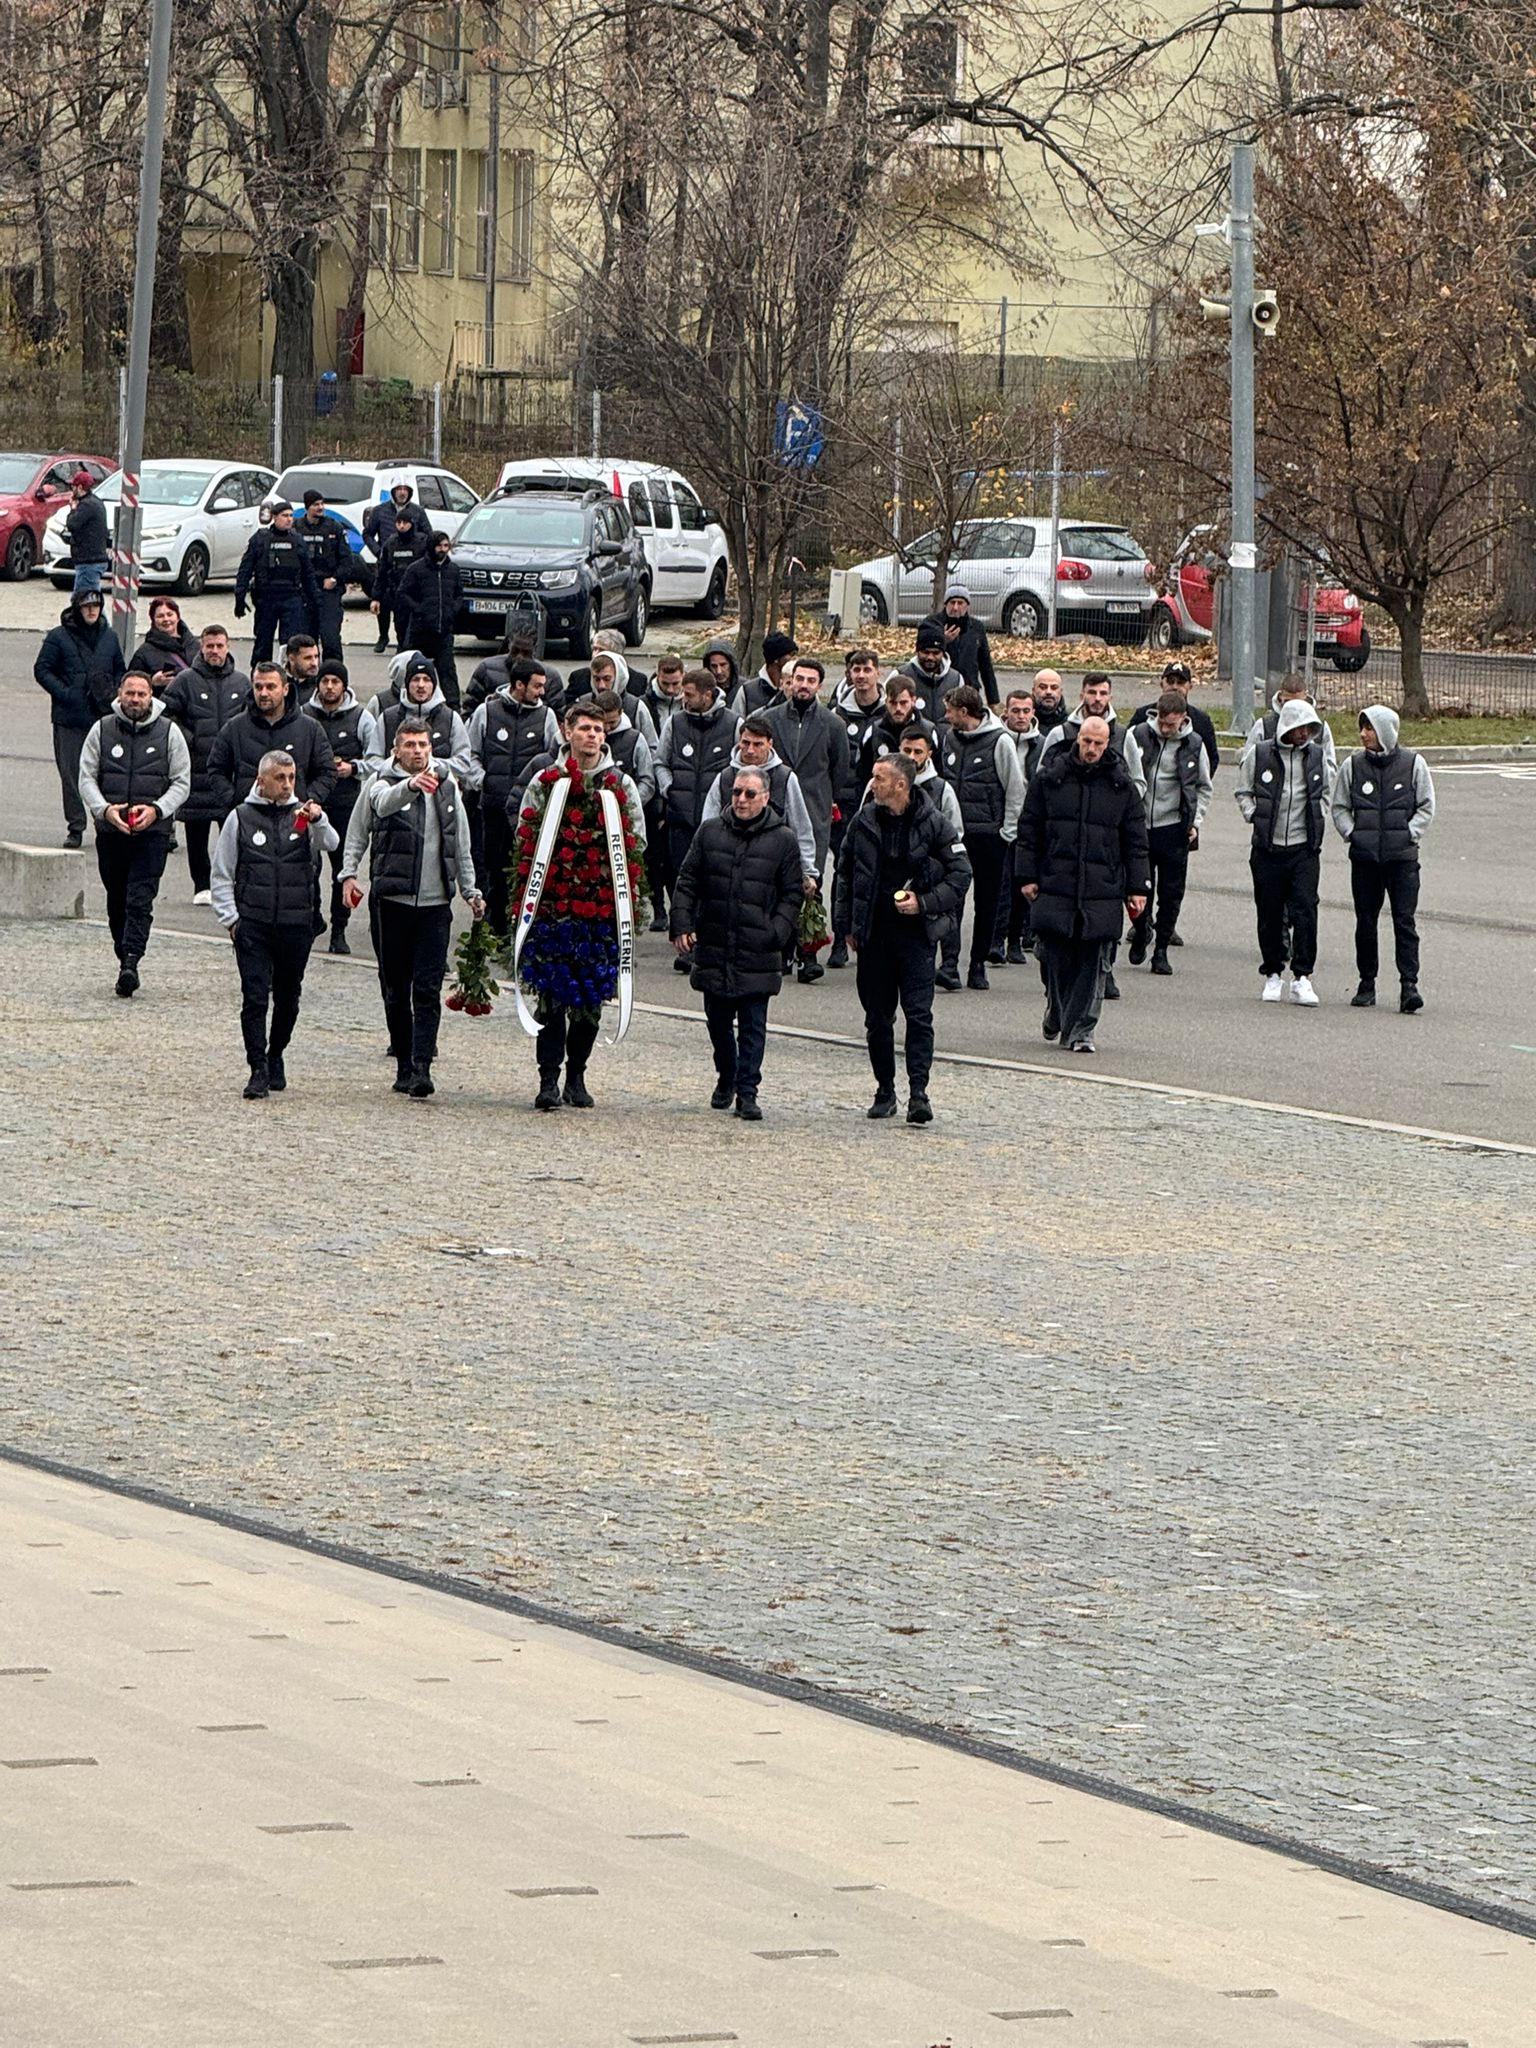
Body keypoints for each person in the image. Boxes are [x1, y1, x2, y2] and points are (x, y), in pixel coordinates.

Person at [513, 699, 646, 1111]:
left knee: (590, 999)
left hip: (600, 908)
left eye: (599, 729)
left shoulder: (619, 785)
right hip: (554, 907)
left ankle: (577, 1074)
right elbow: (525, 834)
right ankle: (548, 1078)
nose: (592, 736)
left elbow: (636, 841)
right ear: (567, 732)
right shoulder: (546, 780)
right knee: (551, 998)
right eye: (585, 728)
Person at [340, 719, 484, 1097]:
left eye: (423, 744)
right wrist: (348, 873)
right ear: (395, 750)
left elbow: (461, 843)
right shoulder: (381, 783)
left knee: (428, 986)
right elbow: (366, 823)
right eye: (410, 745)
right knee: (395, 987)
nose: (418, 751)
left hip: (436, 903)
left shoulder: (447, 786)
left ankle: (421, 1067)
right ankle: (403, 1060)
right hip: (391, 901)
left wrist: (470, 890)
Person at [833, 754, 971, 1124]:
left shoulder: (934, 823)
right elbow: (844, 874)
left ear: (901, 785)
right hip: (874, 935)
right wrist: (845, 924)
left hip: (916, 936)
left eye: (879, 778)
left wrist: (924, 903)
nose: (872, 783)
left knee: (919, 1016)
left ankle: (919, 1093)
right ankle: (884, 1089)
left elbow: (960, 875)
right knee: (878, 1018)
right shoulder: (862, 822)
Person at [670, 766, 804, 1120]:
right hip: (714, 941)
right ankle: (726, 1074)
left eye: (749, 794)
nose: (741, 800)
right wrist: (681, 922)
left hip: (758, 946)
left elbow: (793, 893)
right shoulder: (710, 832)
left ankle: (748, 1091)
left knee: (753, 1025)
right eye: (736, 793)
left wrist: (778, 930)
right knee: (717, 1022)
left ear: (765, 798)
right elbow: (687, 881)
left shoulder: (784, 839)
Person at [1016, 716, 1149, 1055]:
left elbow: (1136, 842)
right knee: (1054, 956)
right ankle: (1057, 1009)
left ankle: (1082, 1030)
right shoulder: (1049, 780)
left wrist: (1138, 887)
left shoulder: (1122, 787)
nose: (1091, 749)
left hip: (1101, 885)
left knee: (1094, 962)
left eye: (1098, 744)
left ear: (1108, 745)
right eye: (1087, 742)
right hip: (1055, 880)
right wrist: (1027, 876)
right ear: (1078, 740)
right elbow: (1029, 830)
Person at [210, 748, 337, 1098]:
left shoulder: (304, 816)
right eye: (279, 778)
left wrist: (318, 819)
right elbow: (222, 871)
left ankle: (276, 1051)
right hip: (254, 923)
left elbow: (331, 843)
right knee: (254, 997)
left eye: (292, 778)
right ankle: (257, 1068)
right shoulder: (241, 817)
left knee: (288, 997)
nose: (287, 785)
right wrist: (231, 919)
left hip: (297, 923)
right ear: (261, 781)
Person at [77, 672, 192, 996]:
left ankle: (131, 961)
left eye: (142, 694)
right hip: (112, 830)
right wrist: (104, 810)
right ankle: (122, 950)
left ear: (150, 696)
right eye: (131, 693)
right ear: (120, 694)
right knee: (116, 899)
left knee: (140, 899)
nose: (136, 699)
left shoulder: (170, 732)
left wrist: (156, 809)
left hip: (152, 832)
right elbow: (86, 776)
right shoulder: (101, 729)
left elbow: (181, 782)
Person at [1038, 673, 1145, 1000]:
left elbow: (1137, 784)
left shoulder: (1123, 735)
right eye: (1091, 692)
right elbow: (1041, 784)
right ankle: (1057, 1000)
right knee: (1059, 934)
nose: (1097, 698)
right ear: (1082, 694)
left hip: (1105, 847)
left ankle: (1102, 976)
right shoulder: (1061, 734)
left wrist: (1112, 806)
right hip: (1064, 849)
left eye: (1103, 693)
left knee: (1102, 921)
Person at [1330, 704, 1436, 1013]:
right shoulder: (1352, 766)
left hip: (1402, 859)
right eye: (1362, 728)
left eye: (1370, 728)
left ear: (1385, 732)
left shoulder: (1413, 764)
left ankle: (1409, 986)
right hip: (1365, 860)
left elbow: (1426, 806)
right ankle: (1366, 983)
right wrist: (1354, 834)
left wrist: (1408, 834)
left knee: (1404, 921)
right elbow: (1340, 806)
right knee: (1365, 921)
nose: (1363, 734)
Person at [1235, 697, 1330, 1005]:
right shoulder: (1261, 753)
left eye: (1309, 729)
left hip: (1304, 848)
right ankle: (1273, 972)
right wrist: (1253, 815)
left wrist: (1319, 816)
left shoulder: (1316, 756)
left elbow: (1326, 791)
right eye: (1299, 728)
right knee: (1270, 912)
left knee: (1305, 910)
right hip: (1268, 847)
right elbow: (1242, 789)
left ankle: (1302, 976)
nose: (1303, 735)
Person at [465, 657, 561, 943]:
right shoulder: (487, 712)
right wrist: (483, 781)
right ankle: (496, 928)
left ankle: (524, 927)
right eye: (537, 686)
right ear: (519, 685)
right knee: (494, 868)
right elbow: (470, 753)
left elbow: (552, 759)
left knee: (526, 868)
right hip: (493, 806)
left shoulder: (547, 718)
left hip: (528, 811)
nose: (542, 692)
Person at [936, 682, 1025, 992]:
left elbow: (1015, 789)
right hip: (954, 836)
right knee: (951, 899)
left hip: (989, 835)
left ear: (964, 712)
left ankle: (977, 963)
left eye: (949, 711)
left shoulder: (999, 741)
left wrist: (1006, 834)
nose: (945, 716)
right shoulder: (949, 738)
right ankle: (949, 963)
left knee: (987, 901)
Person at [655, 666, 740, 967]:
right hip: (680, 819)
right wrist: (671, 788)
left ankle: (706, 942)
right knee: (682, 880)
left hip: (717, 824)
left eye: (689, 694)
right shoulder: (675, 724)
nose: (683, 699)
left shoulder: (733, 725)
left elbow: (737, 770)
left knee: (712, 883)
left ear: (708, 694)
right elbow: (660, 762)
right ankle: (685, 943)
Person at [162, 623, 251, 901]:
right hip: (197, 770)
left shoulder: (242, 682)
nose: (214, 651)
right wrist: (190, 738)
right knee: (197, 833)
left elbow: (252, 720)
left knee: (233, 835)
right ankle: (201, 885)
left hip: (231, 774)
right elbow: (166, 715)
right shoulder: (186, 680)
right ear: (202, 647)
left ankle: (232, 884)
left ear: (228, 647)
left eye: (219, 645)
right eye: (209, 645)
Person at [1127, 688, 1212, 973]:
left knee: (1171, 892)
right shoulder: (1138, 734)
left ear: (1183, 720)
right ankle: (1141, 930)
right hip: (1141, 826)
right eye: (1162, 723)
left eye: (1172, 725)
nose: (1166, 729)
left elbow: (1203, 787)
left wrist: (1195, 822)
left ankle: (1161, 949)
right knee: (1138, 886)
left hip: (1174, 827)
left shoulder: (1194, 744)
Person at [33, 587, 125, 847]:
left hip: (102, 715)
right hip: (69, 717)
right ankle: (76, 826)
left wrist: (112, 690)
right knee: (71, 774)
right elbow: (42, 669)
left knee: (106, 773)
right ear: (77, 608)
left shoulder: (109, 637)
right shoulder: (58, 637)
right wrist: (65, 693)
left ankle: (107, 822)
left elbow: (120, 669)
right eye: (86, 606)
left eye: (96, 605)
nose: (92, 610)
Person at [207, 661, 337, 818]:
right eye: (258, 687)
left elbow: (327, 772)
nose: (263, 693)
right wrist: (234, 800)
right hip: (248, 819)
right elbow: (216, 769)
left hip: (295, 819)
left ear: (285, 689)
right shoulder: (234, 727)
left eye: (271, 687)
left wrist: (305, 802)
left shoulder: (310, 728)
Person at [302, 664, 369, 953]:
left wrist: (353, 768)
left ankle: (339, 929)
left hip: (345, 804)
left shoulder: (361, 717)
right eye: (325, 681)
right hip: (311, 802)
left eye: (335, 681)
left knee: (342, 871)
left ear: (344, 685)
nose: (329, 686)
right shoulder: (304, 714)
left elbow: (377, 759)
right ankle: (314, 916)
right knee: (306, 866)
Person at [701, 712, 818, 877]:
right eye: (746, 743)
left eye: (758, 744)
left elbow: (801, 827)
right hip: (728, 866)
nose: (750, 750)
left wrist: (807, 871)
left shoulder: (785, 779)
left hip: (773, 868)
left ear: (770, 744)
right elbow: (708, 823)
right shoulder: (725, 778)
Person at [991, 689, 1045, 963]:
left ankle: (1015, 940)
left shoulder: (1042, 744)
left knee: (1021, 884)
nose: (1021, 716)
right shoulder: (996, 740)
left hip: (1030, 826)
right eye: (1016, 711)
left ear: (1033, 713)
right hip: (1001, 823)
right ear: (1006, 713)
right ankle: (996, 940)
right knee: (999, 886)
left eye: (1026, 711)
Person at [234, 502, 319, 666]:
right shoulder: (260, 539)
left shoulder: (297, 541)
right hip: (266, 598)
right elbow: (245, 570)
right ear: (274, 517)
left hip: (292, 598)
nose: (289, 520)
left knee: (290, 644)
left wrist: (316, 600)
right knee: (263, 642)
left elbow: (308, 574)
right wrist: (240, 597)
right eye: (284, 516)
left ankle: (287, 676)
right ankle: (260, 676)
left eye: (291, 516)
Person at [361, 657, 472, 780]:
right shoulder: (388, 718)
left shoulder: (451, 718)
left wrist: (429, 765)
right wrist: (400, 767)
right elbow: (372, 761)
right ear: (407, 684)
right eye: (415, 679)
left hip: (436, 792)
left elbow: (463, 763)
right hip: (394, 792)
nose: (421, 685)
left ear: (434, 685)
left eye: (427, 680)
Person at [639, 653, 685, 927]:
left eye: (675, 684)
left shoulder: (685, 704)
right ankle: (657, 905)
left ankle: (674, 904)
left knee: (674, 856)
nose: (671, 689)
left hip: (678, 786)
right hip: (654, 787)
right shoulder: (646, 703)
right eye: (666, 684)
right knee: (654, 854)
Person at [395, 531, 464, 706]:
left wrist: (452, 610)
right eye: (439, 546)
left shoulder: (453, 570)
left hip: (444, 632)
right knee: (412, 670)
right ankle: (401, 702)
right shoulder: (416, 569)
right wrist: (419, 610)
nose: (442, 550)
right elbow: (403, 593)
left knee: (447, 671)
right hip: (420, 632)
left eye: (446, 546)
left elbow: (459, 595)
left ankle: (453, 708)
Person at [1130, 661, 1220, 777]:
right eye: (1170, 681)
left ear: (1190, 686)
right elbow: (1127, 750)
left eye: (1181, 683)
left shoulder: (1201, 721)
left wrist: (1192, 788)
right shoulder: (1143, 716)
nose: (1175, 687)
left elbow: (1212, 759)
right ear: (1161, 684)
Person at [294, 490, 353, 660]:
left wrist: (335, 578)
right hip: (305, 592)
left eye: (321, 504)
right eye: (315, 504)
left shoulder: (334, 527)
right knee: (306, 641)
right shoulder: (297, 528)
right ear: (307, 507)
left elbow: (347, 560)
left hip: (329, 591)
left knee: (330, 638)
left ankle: (333, 676)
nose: (320, 507)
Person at [855, 676, 938, 791]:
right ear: (886, 702)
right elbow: (861, 774)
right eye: (893, 703)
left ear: (913, 701)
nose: (898, 708)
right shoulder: (873, 731)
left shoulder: (929, 731)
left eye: (903, 703)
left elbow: (938, 774)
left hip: (920, 802)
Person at [921, 583, 997, 705]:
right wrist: (942, 641)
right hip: (940, 689)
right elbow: (922, 655)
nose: (955, 608)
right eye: (952, 602)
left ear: (967, 605)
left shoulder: (977, 628)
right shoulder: (931, 624)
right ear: (945, 604)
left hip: (969, 691)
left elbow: (986, 665)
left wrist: (993, 700)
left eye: (960, 603)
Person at [1248, 676, 1339, 776]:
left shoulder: (1320, 729)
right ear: (1280, 696)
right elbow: (1247, 765)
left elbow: (1331, 767)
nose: (1293, 707)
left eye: (1299, 703)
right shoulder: (1263, 726)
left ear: (1306, 696)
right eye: (1288, 702)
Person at [369, 511, 430, 656]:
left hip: (418, 594)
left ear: (412, 524)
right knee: (401, 627)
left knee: (416, 628)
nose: (402, 526)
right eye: (399, 523)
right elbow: (382, 571)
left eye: (405, 523)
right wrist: (376, 597)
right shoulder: (391, 543)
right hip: (398, 593)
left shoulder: (422, 542)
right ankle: (403, 651)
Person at [127, 596, 199, 688]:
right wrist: (152, 681)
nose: (166, 619)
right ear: (153, 620)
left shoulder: (195, 645)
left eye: (170, 614)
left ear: (178, 617)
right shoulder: (144, 652)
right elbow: (131, 683)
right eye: (160, 616)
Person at [63, 470, 110, 596]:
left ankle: (101, 617)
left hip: (89, 562)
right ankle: (99, 616)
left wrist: (72, 509)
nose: (71, 489)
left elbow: (72, 524)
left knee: (84, 599)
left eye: (73, 486)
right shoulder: (96, 502)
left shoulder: (86, 505)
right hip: (94, 560)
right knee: (89, 599)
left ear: (79, 487)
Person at [895, 623, 951, 724]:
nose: (930, 657)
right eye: (925, 652)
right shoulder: (900, 675)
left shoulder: (956, 679)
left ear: (943, 653)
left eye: (936, 653)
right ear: (917, 651)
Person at [732, 630, 797, 717]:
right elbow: (737, 725)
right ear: (776, 659)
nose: (795, 659)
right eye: (791, 655)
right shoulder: (747, 691)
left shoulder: (801, 686)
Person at [283, 633, 322, 704]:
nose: (314, 663)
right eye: (308, 658)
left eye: (316, 657)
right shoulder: (277, 683)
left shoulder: (322, 686)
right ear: (291, 659)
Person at [1029, 668, 1070, 735]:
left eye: (1054, 687)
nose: (1048, 692)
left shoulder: (1070, 724)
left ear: (1061, 691)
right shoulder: (1023, 721)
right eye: (1043, 687)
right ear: (1033, 691)